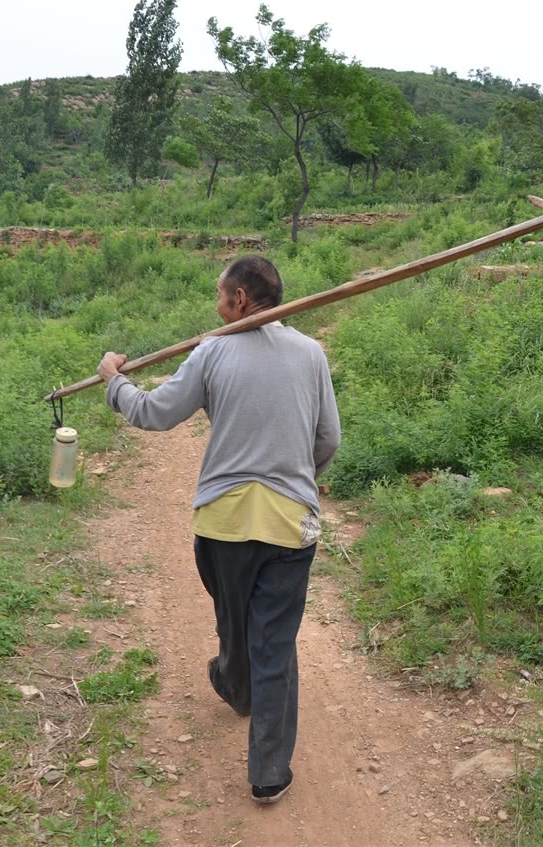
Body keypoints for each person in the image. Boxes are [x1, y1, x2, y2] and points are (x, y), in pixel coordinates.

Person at [96, 255, 340, 805]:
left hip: (224, 527)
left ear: (241, 301)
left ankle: (234, 683)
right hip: (289, 527)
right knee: (273, 644)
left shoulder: (212, 353)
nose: (216, 302)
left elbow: (154, 413)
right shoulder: (310, 354)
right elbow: (328, 440)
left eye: (220, 294)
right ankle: (269, 772)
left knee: (234, 623)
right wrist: (301, 479)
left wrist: (114, 382)